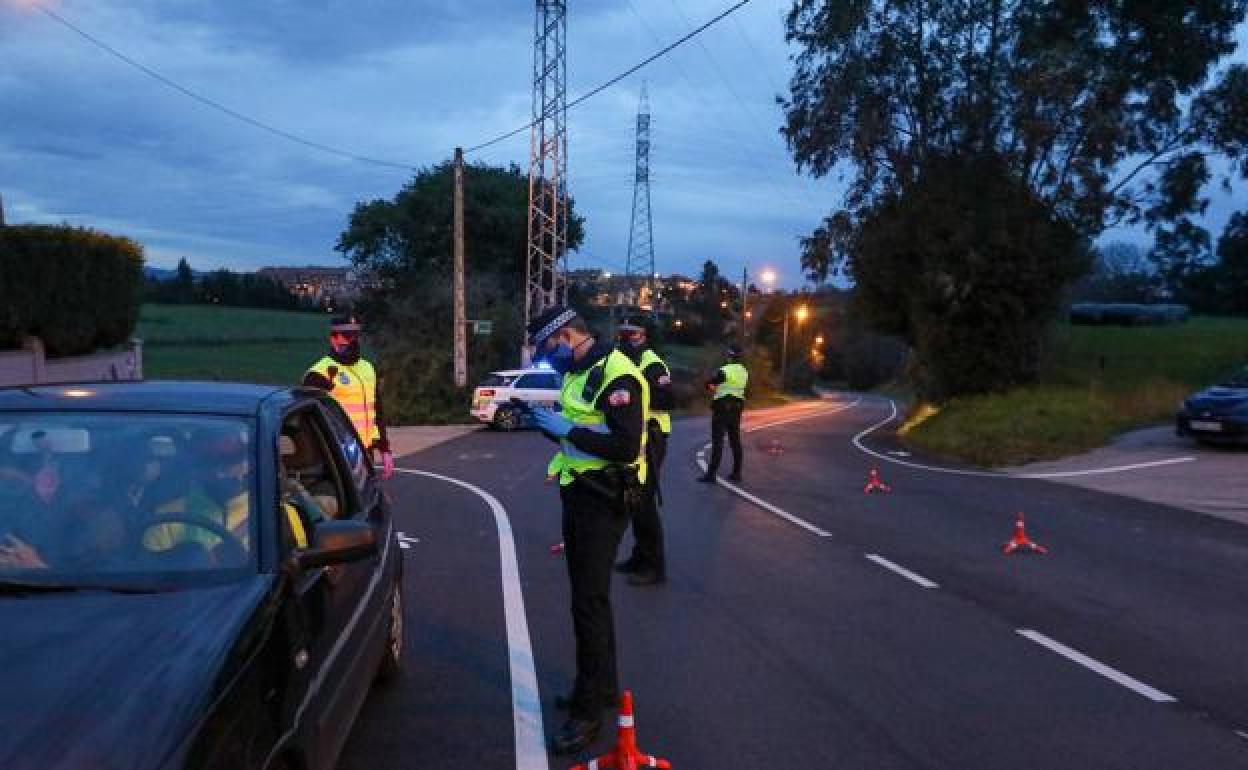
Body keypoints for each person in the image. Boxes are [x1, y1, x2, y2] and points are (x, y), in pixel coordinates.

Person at [526, 305, 649, 755]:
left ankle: (587, 715)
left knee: (588, 604)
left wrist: (569, 430)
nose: (549, 357)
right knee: (591, 599)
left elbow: (622, 444)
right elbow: (580, 429)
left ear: (568, 337)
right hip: (581, 492)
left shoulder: (616, 376)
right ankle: (601, 686)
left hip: (604, 498)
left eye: (549, 348)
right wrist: (550, 429)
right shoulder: (581, 372)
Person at [613, 318, 673, 587]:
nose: (628, 339)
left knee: (645, 501)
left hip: (653, 436)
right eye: (624, 334)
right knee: (635, 500)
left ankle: (654, 566)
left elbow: (667, 399)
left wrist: (638, 396)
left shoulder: (652, 363)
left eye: (633, 334)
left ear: (644, 336)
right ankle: (639, 556)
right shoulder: (630, 362)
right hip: (639, 437)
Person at [303, 315, 395, 480]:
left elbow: (377, 410)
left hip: (366, 453)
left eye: (355, 336)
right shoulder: (319, 373)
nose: (352, 341)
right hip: (337, 453)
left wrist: (384, 449)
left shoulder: (367, 367)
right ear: (333, 339)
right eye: (346, 336)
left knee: (369, 499)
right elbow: (308, 422)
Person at [699, 344, 748, 483]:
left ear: (730, 356)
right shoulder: (744, 371)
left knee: (718, 441)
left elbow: (711, 383)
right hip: (737, 408)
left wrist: (709, 384)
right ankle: (736, 473)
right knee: (735, 441)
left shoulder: (724, 370)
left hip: (722, 408)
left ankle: (711, 475)